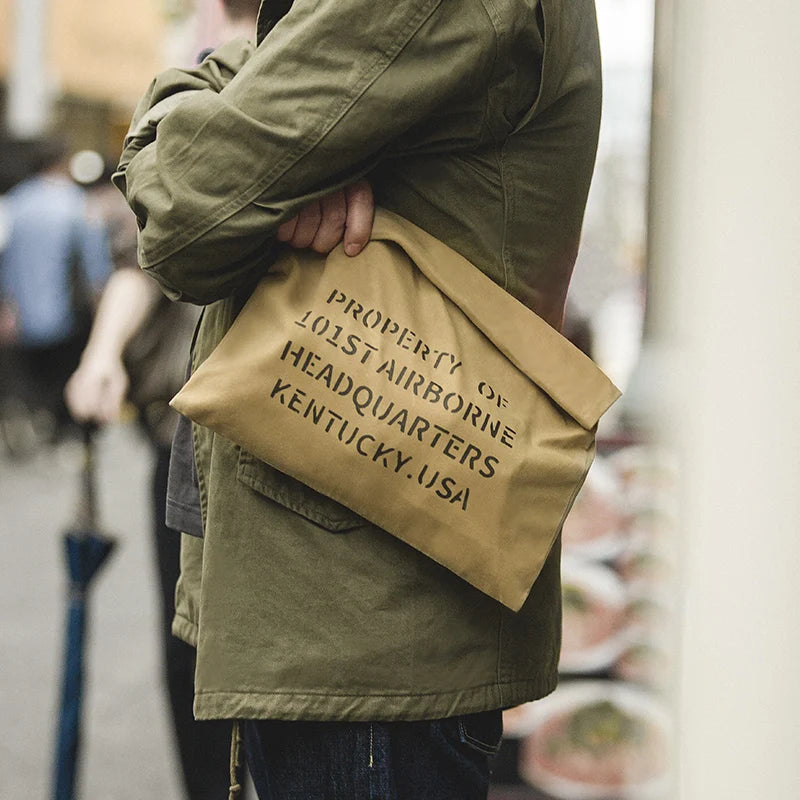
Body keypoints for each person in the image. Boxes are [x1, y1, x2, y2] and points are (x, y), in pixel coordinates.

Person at [113, 0, 603, 797]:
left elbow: (185, 216)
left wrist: (207, 125)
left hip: (356, 627)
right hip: (356, 615)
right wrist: (272, 162)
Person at [0, 136, 111, 447]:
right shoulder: (76, 203)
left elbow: (5, 261)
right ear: (61, 163)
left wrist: (7, 307)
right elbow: (95, 265)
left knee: (32, 375)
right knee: (64, 373)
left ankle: (36, 414)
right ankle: (62, 425)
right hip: (68, 314)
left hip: (23, 314)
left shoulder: (15, 203)